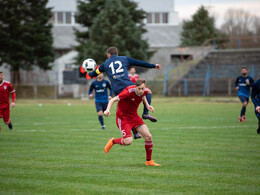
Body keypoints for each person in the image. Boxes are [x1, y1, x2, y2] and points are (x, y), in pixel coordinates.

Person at [88, 47, 161, 138]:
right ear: (117, 54)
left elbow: (94, 73)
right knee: (147, 92)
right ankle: (145, 113)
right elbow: (139, 63)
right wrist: (153, 66)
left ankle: (134, 133)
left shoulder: (105, 63)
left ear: (109, 55)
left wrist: (88, 72)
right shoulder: (124, 59)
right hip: (129, 86)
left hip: (118, 90)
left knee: (126, 110)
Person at [103, 79, 161, 166]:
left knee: (148, 136)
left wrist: (147, 105)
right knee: (128, 141)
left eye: (142, 88)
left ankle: (149, 161)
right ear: (135, 87)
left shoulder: (144, 91)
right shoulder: (128, 92)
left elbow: (143, 95)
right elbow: (113, 100)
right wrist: (107, 110)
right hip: (123, 118)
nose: (141, 91)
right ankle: (113, 141)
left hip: (134, 117)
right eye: (139, 89)